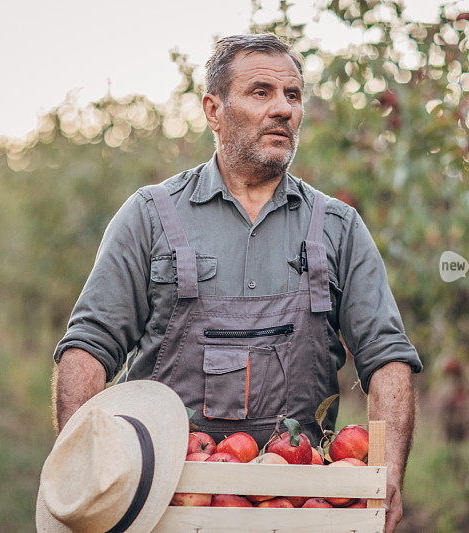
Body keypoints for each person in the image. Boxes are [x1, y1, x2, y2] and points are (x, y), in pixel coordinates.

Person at [52, 33, 422, 532]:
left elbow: (388, 356)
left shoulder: (336, 226)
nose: (283, 110)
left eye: (293, 96)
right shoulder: (151, 216)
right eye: (260, 92)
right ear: (214, 109)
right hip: (166, 502)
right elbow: (88, 349)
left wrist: (388, 474)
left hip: (297, 505)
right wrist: (84, 474)